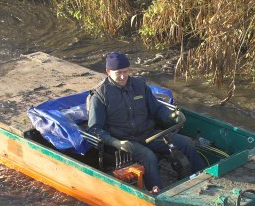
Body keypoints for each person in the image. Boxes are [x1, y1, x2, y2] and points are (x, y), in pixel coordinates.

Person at [87, 51, 205, 193]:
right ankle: (157, 193)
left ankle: (204, 178)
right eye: (118, 73)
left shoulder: (140, 85)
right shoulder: (99, 95)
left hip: (149, 135)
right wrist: (115, 142)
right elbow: (94, 129)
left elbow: (156, 108)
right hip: (125, 142)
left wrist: (172, 115)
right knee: (149, 157)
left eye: (125, 71)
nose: (123, 76)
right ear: (108, 71)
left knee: (186, 143)